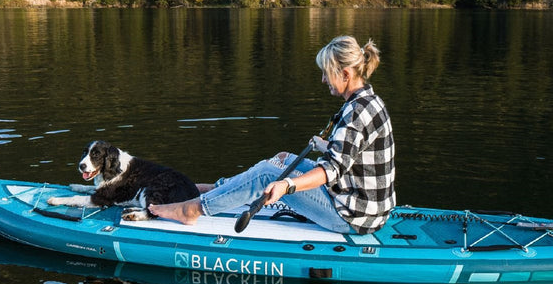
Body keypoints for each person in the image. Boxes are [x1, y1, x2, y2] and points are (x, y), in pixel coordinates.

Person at [149, 35, 396, 234]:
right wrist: (324, 145)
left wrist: (287, 184)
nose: (323, 80)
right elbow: (352, 152)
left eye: (327, 73)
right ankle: (217, 189)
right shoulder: (369, 100)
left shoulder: (355, 114)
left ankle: (192, 210)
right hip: (366, 206)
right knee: (281, 159)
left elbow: (330, 170)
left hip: (353, 217)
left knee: (269, 174)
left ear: (345, 74)